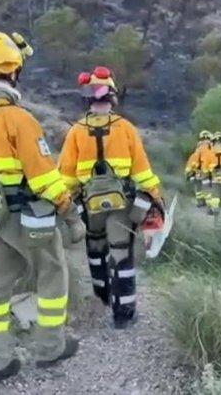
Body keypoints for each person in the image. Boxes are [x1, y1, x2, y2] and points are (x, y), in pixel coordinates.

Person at [0, 31, 86, 385]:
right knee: (52, 274)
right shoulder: (18, 118)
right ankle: (50, 348)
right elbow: (44, 179)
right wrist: (71, 216)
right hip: (26, 218)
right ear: (13, 72)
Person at [59, 66, 163, 329]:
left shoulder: (76, 131)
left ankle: (103, 294)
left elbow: (67, 175)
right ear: (113, 97)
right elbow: (142, 170)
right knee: (121, 253)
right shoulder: (126, 128)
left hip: (89, 203)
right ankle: (123, 313)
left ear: (87, 99)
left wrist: (65, 203)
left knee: (95, 248)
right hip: (122, 203)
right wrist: (155, 197)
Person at [185, 131, 214, 207]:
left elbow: (192, 161)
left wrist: (188, 172)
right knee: (209, 189)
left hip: (201, 172)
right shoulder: (214, 148)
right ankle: (211, 205)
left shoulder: (199, 149)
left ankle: (202, 203)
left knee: (199, 188)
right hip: (212, 172)